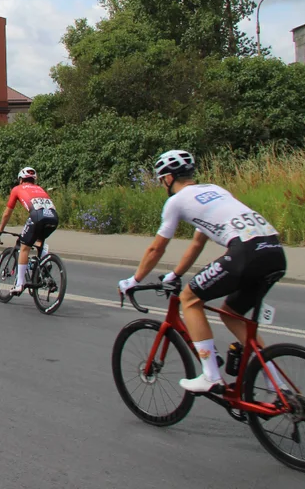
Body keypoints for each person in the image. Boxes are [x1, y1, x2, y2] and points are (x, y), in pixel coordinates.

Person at [117, 150, 287, 394]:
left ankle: (210, 375)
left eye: (161, 179)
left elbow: (156, 248)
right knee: (232, 314)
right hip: (274, 251)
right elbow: (198, 242)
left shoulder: (176, 201)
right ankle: (278, 384)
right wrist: (175, 274)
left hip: (246, 252)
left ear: (167, 178)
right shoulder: (216, 190)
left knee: (189, 299)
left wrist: (133, 280)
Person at [0, 167, 58, 295]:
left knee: (25, 247)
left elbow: (7, 213)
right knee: (39, 241)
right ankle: (44, 265)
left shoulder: (17, 189)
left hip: (37, 216)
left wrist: (1, 229)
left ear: (21, 179)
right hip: (53, 217)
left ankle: (19, 284)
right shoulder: (40, 189)